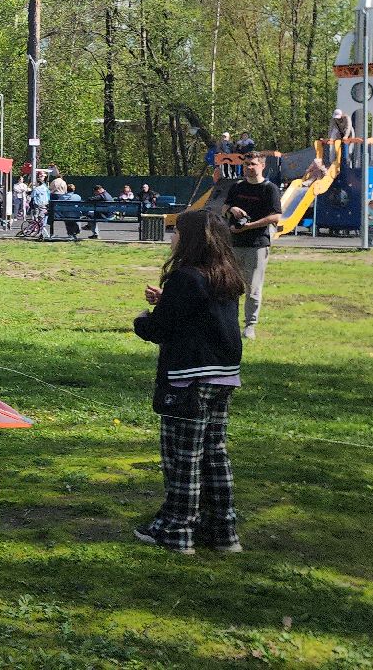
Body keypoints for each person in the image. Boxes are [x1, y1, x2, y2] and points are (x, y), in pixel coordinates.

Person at [132, 209, 245, 555]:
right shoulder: (225, 275)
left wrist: (143, 319)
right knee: (214, 454)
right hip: (223, 376)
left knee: (183, 457)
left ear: (192, 238)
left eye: (177, 232)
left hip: (188, 379)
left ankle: (177, 529)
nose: (173, 238)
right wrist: (167, 303)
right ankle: (222, 530)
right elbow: (200, 316)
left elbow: (160, 329)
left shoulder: (185, 277)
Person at [224, 153, 281, 340]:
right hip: (233, 243)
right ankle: (229, 323)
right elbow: (223, 208)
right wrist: (231, 209)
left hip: (257, 244)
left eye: (253, 164)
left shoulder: (269, 189)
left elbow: (275, 217)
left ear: (262, 166)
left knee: (253, 287)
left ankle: (250, 326)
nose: (249, 167)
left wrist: (250, 225)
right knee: (229, 285)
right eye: (246, 164)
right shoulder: (237, 187)